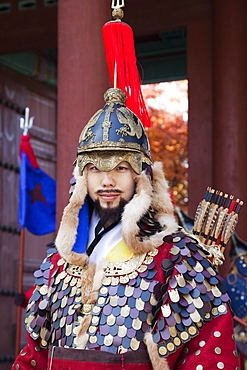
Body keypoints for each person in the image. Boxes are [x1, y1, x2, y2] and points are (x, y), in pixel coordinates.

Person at [13, 87, 240, 370]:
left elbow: (208, 357)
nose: (107, 181)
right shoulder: (59, 262)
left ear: (141, 177)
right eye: (95, 168)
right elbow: (33, 357)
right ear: (82, 177)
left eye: (120, 167)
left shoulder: (178, 258)